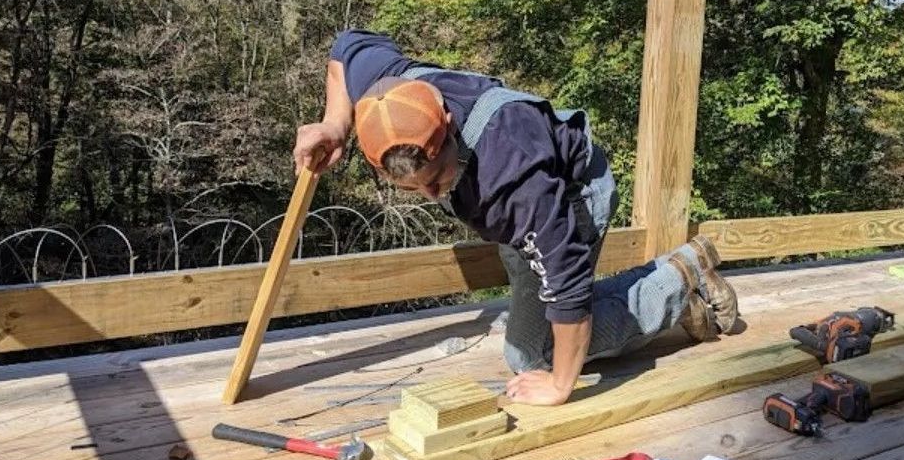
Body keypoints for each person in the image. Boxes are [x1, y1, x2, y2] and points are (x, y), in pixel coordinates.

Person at [293, 30, 740, 406]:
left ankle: (677, 284)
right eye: (414, 190)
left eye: (438, 178)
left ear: (447, 122)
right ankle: (681, 270)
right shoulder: (385, 90)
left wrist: (562, 385)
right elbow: (345, 49)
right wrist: (336, 124)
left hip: (573, 191)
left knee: (533, 357)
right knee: (539, 322)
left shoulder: (513, 174)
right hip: (520, 206)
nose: (432, 194)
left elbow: (564, 283)